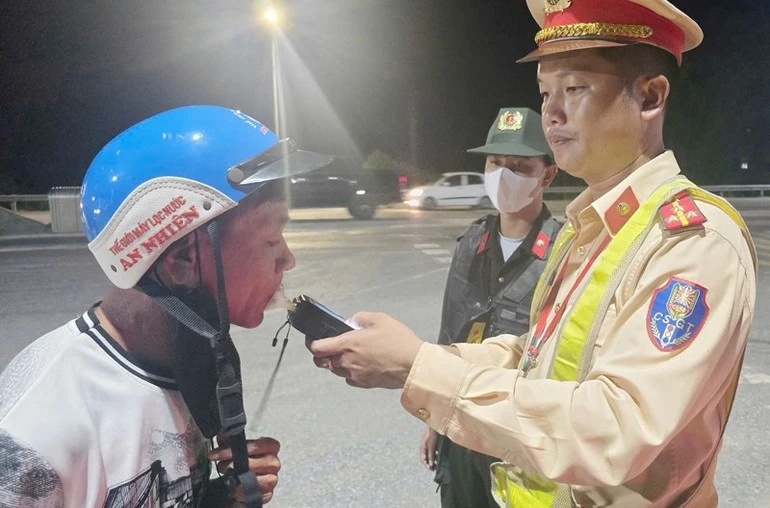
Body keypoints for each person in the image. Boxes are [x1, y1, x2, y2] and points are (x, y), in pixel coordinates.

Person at [309, 1, 757, 506]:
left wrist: (423, 371)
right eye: (545, 92)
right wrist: (426, 357)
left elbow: (618, 430)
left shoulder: (691, 241)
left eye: (575, 89)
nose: (551, 113)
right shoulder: (590, 225)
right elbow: (537, 357)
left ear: (650, 97)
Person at [0, 105, 333, 507]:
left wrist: (225, 498)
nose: (288, 260)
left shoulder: (187, 356)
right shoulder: (33, 437)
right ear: (181, 262)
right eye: (272, 238)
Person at [420, 107, 560, 508]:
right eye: (496, 163)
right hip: (460, 430)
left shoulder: (564, 252)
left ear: (547, 175)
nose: (504, 174)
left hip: (519, 438)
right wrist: (433, 417)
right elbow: (450, 334)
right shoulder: (472, 241)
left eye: (519, 166)